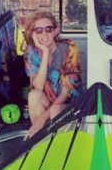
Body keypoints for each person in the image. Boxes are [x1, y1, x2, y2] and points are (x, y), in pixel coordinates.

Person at [24, 11, 83, 139]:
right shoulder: (32, 52)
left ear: (55, 32)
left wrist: (41, 120)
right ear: (32, 34)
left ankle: (60, 145)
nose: (44, 34)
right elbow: (38, 86)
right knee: (34, 95)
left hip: (70, 103)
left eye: (48, 29)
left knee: (56, 110)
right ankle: (41, 141)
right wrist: (45, 52)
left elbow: (65, 94)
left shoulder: (69, 48)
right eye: (38, 30)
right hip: (48, 101)